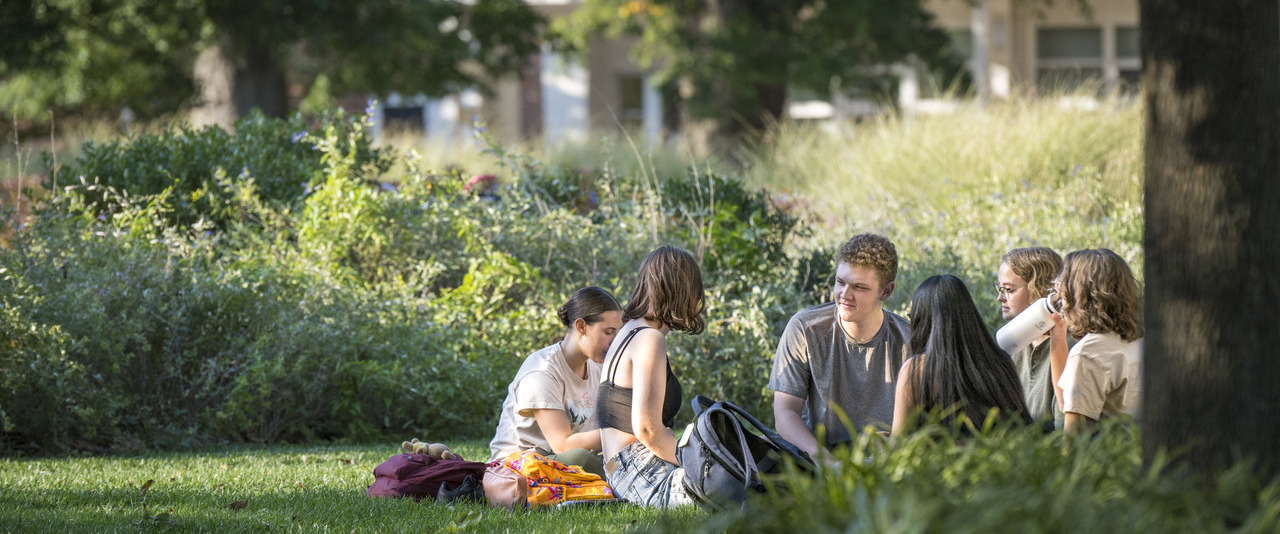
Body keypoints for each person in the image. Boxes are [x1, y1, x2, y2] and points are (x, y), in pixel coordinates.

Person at [770, 233, 910, 458]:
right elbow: (785, 413)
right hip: (817, 456)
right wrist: (827, 463)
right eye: (840, 282)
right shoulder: (806, 328)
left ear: (886, 291)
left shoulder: (908, 340)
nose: (845, 295)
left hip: (887, 461)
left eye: (859, 287)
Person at [597, 245, 705, 508]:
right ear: (681, 289)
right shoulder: (649, 339)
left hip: (621, 470)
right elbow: (646, 430)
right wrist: (694, 462)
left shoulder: (628, 331)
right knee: (745, 489)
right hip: (641, 472)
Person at [488, 287, 623, 478]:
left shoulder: (599, 367)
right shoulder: (541, 371)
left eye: (617, 332)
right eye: (608, 332)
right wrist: (622, 432)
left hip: (560, 462)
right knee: (582, 459)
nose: (614, 341)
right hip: (518, 470)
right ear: (581, 327)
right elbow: (563, 445)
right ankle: (619, 478)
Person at [891, 275, 1033, 436]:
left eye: (913, 317)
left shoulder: (916, 369)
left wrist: (880, 445)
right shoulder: (1000, 362)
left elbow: (898, 446)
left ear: (922, 320)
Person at [1048, 249, 1143, 435]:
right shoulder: (1136, 341)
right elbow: (1069, 403)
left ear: (1078, 295)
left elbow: (1074, 442)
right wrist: (1058, 338)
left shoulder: (1088, 353)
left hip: (1108, 462)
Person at [996, 247, 1066, 427]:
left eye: (1008, 290)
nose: (1000, 298)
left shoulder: (1068, 347)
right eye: (1000, 288)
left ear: (1038, 290)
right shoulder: (1011, 344)